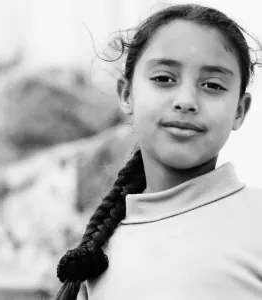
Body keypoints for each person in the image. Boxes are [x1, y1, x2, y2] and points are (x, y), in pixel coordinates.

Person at [53, 3, 262, 300]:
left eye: (213, 85)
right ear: (126, 95)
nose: (186, 100)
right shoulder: (97, 256)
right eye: (164, 79)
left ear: (239, 110)